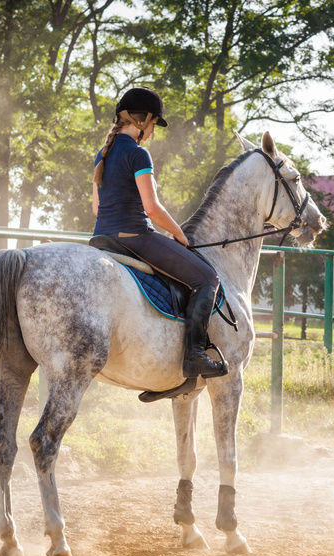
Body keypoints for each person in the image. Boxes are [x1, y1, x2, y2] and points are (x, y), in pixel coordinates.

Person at [92, 86, 227, 379]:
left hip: (101, 237)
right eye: (153, 124)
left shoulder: (102, 155)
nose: (153, 132)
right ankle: (194, 356)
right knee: (207, 278)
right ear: (141, 121)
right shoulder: (139, 155)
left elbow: (96, 207)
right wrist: (179, 234)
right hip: (134, 237)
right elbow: (151, 208)